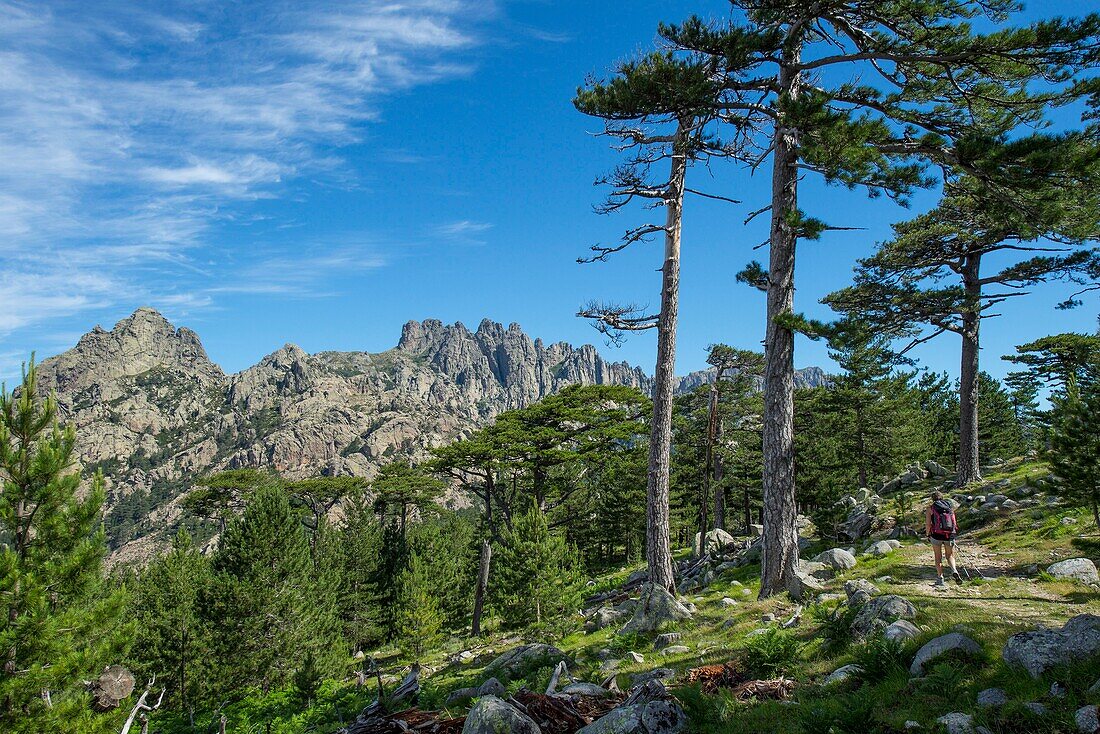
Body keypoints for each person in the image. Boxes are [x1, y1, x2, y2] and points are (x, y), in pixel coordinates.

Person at [926, 491, 962, 586]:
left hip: (936, 535)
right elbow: (954, 521)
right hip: (949, 535)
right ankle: (954, 570)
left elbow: (928, 524)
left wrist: (927, 534)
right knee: (950, 555)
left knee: (938, 557)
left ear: (932, 499)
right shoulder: (949, 507)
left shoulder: (931, 508)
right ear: (942, 497)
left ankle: (940, 578)